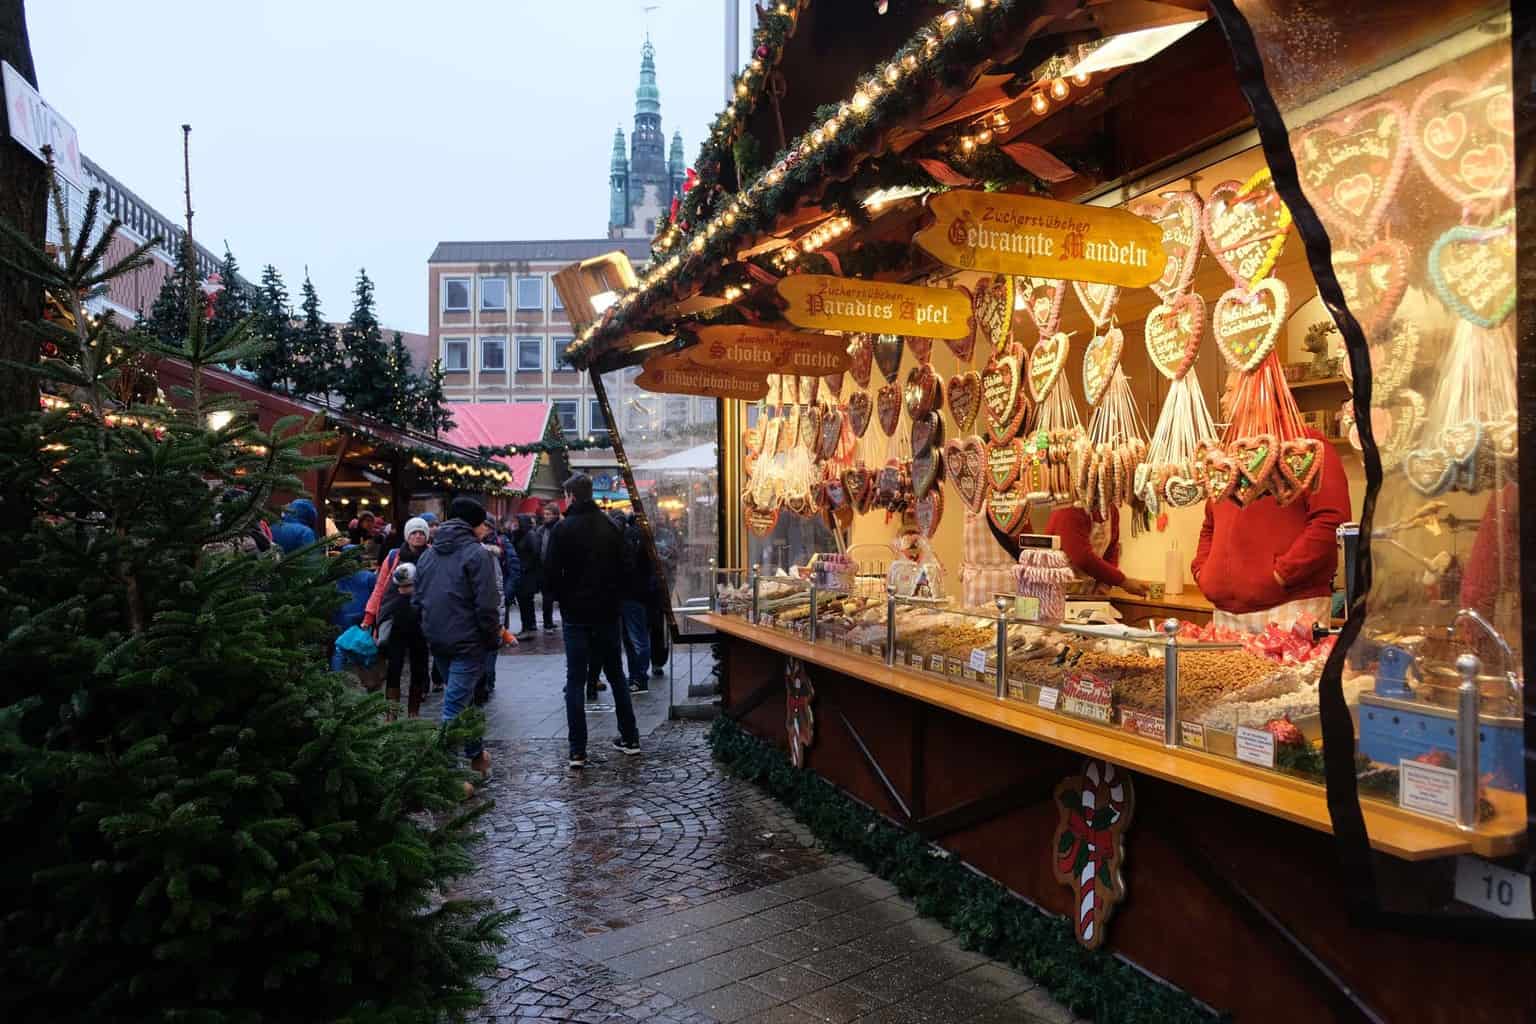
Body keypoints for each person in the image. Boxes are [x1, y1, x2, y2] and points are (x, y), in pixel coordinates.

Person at [1192, 426, 1350, 632]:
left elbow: (1330, 519)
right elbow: (1210, 525)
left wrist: (1281, 575)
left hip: (1289, 610)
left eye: (1229, 391)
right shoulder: (1232, 455)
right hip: (1224, 617)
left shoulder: (1303, 447)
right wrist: (1203, 572)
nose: (1223, 398)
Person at [545, 474, 641, 769]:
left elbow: (550, 575)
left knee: (575, 680)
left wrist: (565, 598)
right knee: (615, 674)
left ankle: (577, 750)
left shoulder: (562, 529)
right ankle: (630, 738)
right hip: (606, 613)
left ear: (571, 495)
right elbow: (626, 569)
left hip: (576, 615)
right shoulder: (610, 527)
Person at [413, 497, 500, 780]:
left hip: (438, 638)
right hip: (467, 641)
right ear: (473, 525)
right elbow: (486, 605)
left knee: (466, 698)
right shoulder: (477, 554)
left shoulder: (428, 554)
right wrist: (491, 638)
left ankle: (475, 756)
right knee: (454, 706)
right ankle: (446, 775)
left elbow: (418, 597)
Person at [1043, 503, 1148, 597]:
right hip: (1053, 594)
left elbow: (1111, 551)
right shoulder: (1068, 509)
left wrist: (1105, 585)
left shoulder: (1112, 510)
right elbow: (1082, 557)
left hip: (1088, 594)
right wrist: (1123, 581)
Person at [378, 561, 429, 717]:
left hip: (418, 634)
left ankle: (413, 712)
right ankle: (391, 714)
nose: (405, 588)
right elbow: (384, 608)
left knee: (419, 670)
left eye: (409, 585)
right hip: (396, 633)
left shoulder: (422, 592)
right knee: (394, 670)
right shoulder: (393, 592)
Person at [363, 517, 431, 631]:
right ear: (407, 535)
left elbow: (439, 587)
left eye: (422, 533)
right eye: (414, 532)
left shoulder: (433, 557)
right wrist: (369, 616)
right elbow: (380, 588)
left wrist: (414, 591)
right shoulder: (393, 557)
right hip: (395, 614)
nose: (418, 536)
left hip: (425, 618)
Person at [619, 511, 655, 693]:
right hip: (638, 594)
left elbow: (631, 566)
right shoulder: (645, 537)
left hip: (631, 594)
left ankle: (639, 677)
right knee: (636, 638)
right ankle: (637, 677)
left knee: (636, 639)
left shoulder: (632, 537)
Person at [510, 514, 542, 637]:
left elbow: (535, 553)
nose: (515, 523)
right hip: (521, 573)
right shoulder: (518, 534)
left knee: (526, 601)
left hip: (527, 575)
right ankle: (528, 626)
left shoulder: (530, 535)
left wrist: (525, 566)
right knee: (523, 602)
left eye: (517, 521)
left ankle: (529, 627)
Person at [536, 502, 561, 630]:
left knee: (561, 597)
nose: (545, 516)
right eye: (544, 514)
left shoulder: (560, 528)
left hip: (558, 569)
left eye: (548, 514)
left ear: (555, 515)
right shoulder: (541, 530)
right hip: (544, 569)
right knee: (547, 598)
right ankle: (547, 622)